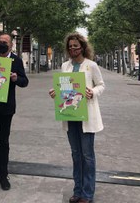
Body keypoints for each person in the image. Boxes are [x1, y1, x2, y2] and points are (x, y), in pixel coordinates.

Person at [49, 32, 105, 203]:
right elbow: (62, 87)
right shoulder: (65, 66)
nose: (73, 48)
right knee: (75, 155)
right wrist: (55, 92)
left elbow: (101, 85)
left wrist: (93, 92)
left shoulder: (91, 65)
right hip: (70, 115)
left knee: (87, 156)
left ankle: (87, 194)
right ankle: (77, 190)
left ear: (82, 47)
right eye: (70, 46)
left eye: (76, 46)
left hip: (86, 117)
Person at [0, 33, 29, 191]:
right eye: (0, 42)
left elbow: (24, 81)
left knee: (4, 141)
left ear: (11, 44)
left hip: (6, 108)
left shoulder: (16, 60)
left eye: (5, 42)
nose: (2, 44)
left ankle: (4, 174)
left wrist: (16, 78)